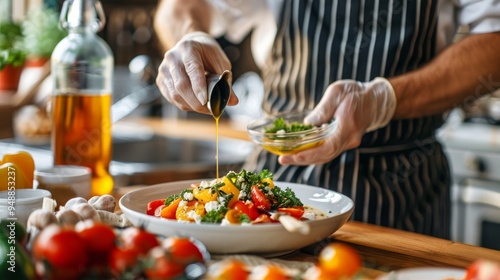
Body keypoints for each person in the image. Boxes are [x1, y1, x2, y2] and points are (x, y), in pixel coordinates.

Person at [153, 0, 500, 239]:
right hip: (277, 181)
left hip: (404, 185)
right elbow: (180, 8)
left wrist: (384, 100)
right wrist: (190, 36)